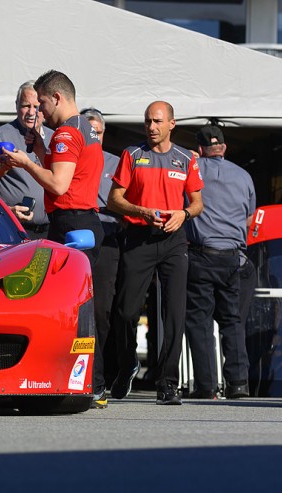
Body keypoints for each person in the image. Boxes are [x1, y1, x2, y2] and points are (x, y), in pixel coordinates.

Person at [107, 100, 204, 405]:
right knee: (124, 311)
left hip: (174, 240)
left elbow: (198, 202)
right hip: (138, 237)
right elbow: (113, 199)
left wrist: (184, 214)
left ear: (171, 124)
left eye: (158, 121)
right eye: (148, 121)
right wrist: (141, 211)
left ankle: (168, 383)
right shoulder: (133, 155)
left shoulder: (186, 158)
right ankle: (126, 368)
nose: (151, 127)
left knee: (173, 313)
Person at [2, 70, 104, 264]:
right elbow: (74, 172)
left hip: (71, 223)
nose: (40, 110)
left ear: (57, 98)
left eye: (42, 102)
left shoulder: (66, 133)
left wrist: (26, 163)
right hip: (83, 221)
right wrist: (41, 150)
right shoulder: (85, 127)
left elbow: (58, 184)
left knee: (66, 290)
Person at [184, 124, 255, 399]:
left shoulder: (193, 169)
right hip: (232, 257)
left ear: (200, 149)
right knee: (232, 321)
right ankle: (238, 384)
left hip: (202, 255)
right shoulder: (244, 175)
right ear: (223, 147)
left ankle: (206, 387)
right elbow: (248, 218)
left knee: (200, 322)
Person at [81, 107, 122, 405]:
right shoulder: (70, 158)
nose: (94, 136)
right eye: (89, 130)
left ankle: (101, 377)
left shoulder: (117, 164)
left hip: (108, 240)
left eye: (98, 131)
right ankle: (83, 378)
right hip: (78, 237)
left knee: (103, 313)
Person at [0, 81, 53, 239]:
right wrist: (4, 209)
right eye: (26, 105)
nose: (31, 112)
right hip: (11, 229)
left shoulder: (55, 138)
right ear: (16, 105)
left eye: (37, 106)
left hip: (50, 230)